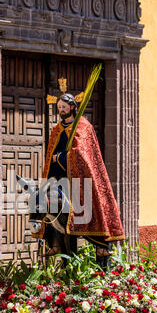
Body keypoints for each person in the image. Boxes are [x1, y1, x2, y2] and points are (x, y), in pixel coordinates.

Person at [31, 93, 124, 261]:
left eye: (64, 107)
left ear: (73, 107)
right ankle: (54, 244)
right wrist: (55, 162)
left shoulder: (83, 126)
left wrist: (61, 157)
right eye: (59, 107)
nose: (61, 110)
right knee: (45, 202)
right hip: (59, 178)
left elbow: (82, 154)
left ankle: (102, 247)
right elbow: (50, 154)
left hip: (79, 181)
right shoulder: (56, 130)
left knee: (93, 206)